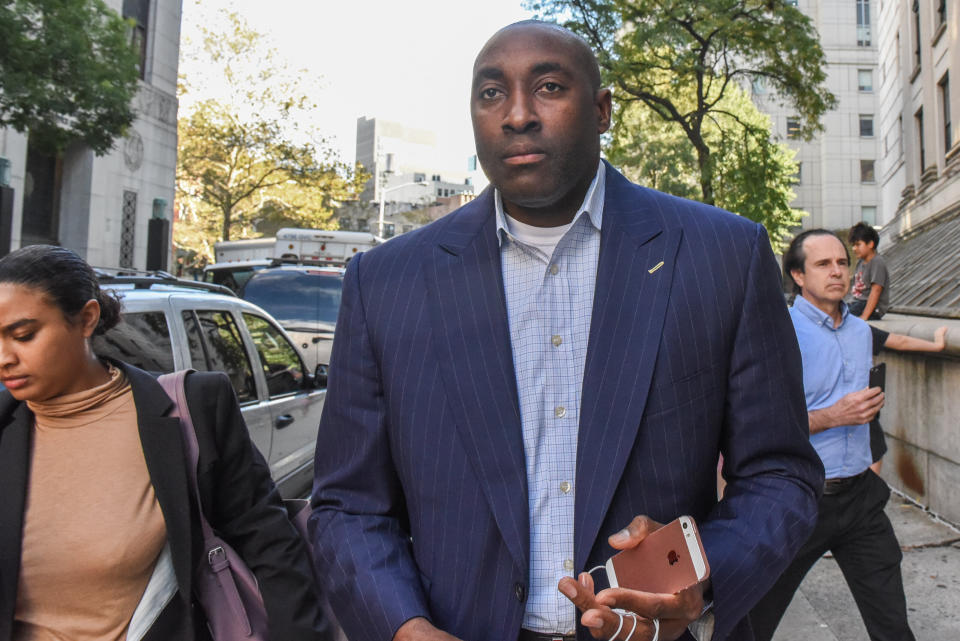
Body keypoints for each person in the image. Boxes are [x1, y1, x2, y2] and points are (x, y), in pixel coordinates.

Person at [310, 20, 823, 641]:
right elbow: (348, 506)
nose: (517, 115)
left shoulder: (723, 256)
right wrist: (404, 627)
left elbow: (779, 474)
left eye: (549, 87)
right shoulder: (385, 283)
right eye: (492, 93)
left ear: (602, 110)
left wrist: (700, 577)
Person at [0, 245, 328, 640]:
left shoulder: (192, 411)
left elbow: (270, 545)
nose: (3, 357)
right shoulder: (8, 424)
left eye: (23, 335)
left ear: (86, 318)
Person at [748, 230, 916, 641]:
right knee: (749, 623)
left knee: (892, 624)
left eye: (842, 262)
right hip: (798, 499)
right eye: (823, 264)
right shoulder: (777, 331)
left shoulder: (860, 333)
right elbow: (756, 424)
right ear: (798, 276)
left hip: (860, 498)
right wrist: (831, 416)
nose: (837, 271)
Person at [867, 325, 948, 474]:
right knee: (871, 476)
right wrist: (936, 345)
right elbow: (900, 341)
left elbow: (900, 341)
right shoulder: (856, 327)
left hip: (828, 420)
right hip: (863, 415)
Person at [847, 222, 890, 320]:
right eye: (853, 245)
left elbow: (876, 290)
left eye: (858, 244)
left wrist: (865, 316)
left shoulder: (877, 262)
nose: (854, 249)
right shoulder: (860, 262)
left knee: (843, 317)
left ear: (870, 244)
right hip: (857, 303)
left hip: (872, 307)